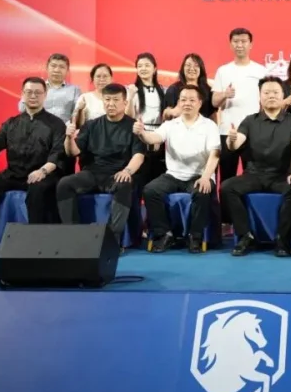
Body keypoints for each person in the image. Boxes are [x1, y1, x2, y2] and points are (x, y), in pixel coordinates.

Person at [0, 77, 66, 257]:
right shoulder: (11, 123)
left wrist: (42, 171)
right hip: (14, 174)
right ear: (22, 94)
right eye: (29, 92)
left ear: (45, 95)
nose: (33, 96)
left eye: (37, 93)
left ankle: (37, 245)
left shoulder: (56, 124)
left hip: (44, 174)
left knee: (37, 189)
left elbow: (57, 154)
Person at [221, 77, 291, 257]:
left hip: (281, 175)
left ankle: (283, 239)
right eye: (266, 93)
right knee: (227, 187)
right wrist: (232, 139)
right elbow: (235, 144)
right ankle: (245, 235)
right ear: (260, 97)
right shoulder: (250, 120)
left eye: (275, 92)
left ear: (283, 95)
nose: (271, 96)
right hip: (254, 174)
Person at [56, 83, 145, 249]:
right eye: (107, 100)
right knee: (64, 184)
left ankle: (112, 239)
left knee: (125, 184)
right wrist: (68, 138)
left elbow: (138, 156)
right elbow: (73, 152)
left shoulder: (133, 126)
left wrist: (127, 171)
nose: (110, 104)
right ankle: (72, 234)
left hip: (117, 174)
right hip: (92, 173)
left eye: (115, 100)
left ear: (125, 103)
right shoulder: (91, 125)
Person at [136, 85, 220, 253]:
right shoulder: (170, 125)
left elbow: (215, 154)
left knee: (202, 192)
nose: (187, 103)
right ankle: (164, 234)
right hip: (173, 175)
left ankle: (195, 236)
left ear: (200, 103)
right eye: (183, 100)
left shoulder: (209, 125)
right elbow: (154, 138)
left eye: (191, 100)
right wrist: (142, 133)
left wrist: (206, 177)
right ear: (179, 102)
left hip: (199, 175)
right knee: (150, 190)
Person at [212, 28, 267, 227]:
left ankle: (251, 219)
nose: (240, 45)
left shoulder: (261, 71)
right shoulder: (223, 70)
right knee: (226, 177)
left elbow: (268, 99)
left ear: (251, 44)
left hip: (254, 132)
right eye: (236, 41)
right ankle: (226, 221)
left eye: (244, 41)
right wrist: (224, 95)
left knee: (253, 177)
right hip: (227, 131)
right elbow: (214, 101)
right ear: (230, 44)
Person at [126, 53, 167, 193]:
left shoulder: (163, 90)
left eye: (147, 65)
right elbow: (128, 116)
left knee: (156, 177)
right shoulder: (132, 89)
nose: (143, 68)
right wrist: (130, 96)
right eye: (140, 66)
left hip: (158, 137)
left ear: (154, 69)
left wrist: (158, 138)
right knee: (138, 178)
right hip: (138, 135)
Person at [21, 53, 81, 124]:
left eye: (61, 67)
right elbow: (22, 108)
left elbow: (77, 114)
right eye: (53, 66)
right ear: (47, 67)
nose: (57, 70)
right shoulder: (36, 87)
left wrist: (68, 126)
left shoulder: (75, 90)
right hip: (38, 127)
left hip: (64, 128)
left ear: (67, 70)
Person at [163, 53, 216, 121]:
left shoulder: (208, 90)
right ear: (183, 68)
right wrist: (172, 112)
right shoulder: (173, 89)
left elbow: (212, 115)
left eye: (196, 66)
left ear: (201, 69)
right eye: (188, 65)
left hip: (203, 127)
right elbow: (165, 115)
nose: (192, 68)